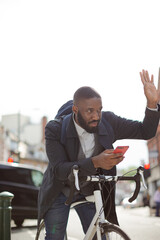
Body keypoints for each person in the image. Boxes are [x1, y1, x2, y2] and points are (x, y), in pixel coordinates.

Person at [38, 69, 160, 240]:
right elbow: (59, 169)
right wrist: (96, 162)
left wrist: (152, 104)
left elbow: (145, 132)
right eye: (89, 111)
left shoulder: (108, 122)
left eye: (99, 110)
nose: (96, 116)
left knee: (99, 236)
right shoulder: (55, 129)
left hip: (89, 189)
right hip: (60, 189)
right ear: (75, 109)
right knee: (55, 237)